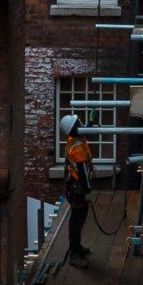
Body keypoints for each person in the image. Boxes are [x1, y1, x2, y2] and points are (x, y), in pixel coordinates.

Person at [60, 114, 95, 266]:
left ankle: (77, 247)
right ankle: (74, 253)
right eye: (78, 123)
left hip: (75, 186)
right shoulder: (78, 147)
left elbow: (83, 130)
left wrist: (91, 122)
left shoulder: (74, 138)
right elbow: (83, 173)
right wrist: (87, 191)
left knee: (78, 219)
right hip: (78, 189)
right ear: (74, 128)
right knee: (77, 220)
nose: (81, 124)